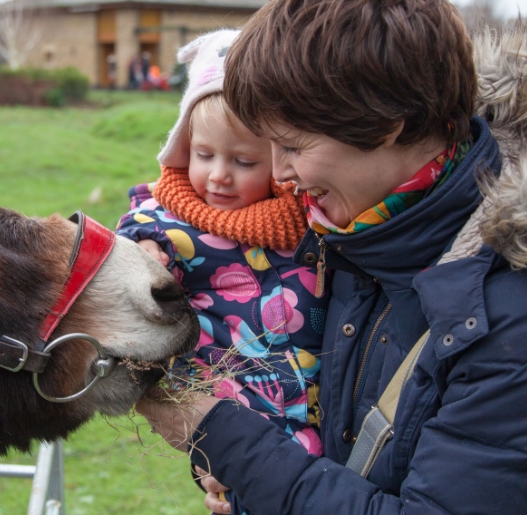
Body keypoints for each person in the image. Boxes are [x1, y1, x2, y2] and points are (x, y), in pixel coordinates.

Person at [136, 0, 527, 513]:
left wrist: (230, 441)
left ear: (387, 124)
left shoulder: (508, 321)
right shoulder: (353, 226)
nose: (280, 173)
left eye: (294, 146)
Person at [116, 28, 329, 515]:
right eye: (203, 155)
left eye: (243, 161)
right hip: (230, 402)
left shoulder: (305, 221)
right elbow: (140, 235)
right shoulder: (171, 219)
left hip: (316, 403)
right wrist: (145, 252)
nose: (218, 175)